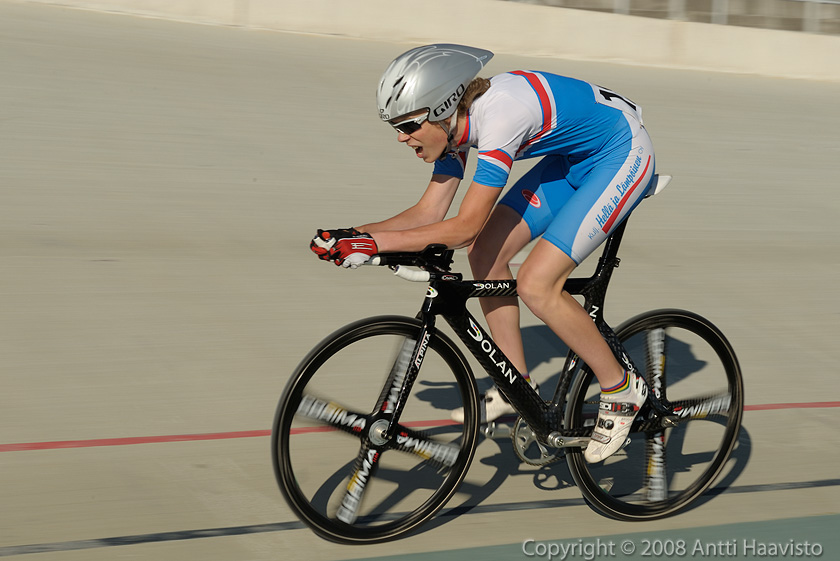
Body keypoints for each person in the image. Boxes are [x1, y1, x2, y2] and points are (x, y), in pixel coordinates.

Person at [310, 44, 653, 463]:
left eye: (409, 125)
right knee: (484, 254)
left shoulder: (501, 117)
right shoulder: (454, 126)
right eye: (396, 127)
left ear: (443, 108)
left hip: (621, 155)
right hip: (573, 161)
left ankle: (621, 388)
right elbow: (429, 212)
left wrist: (375, 245)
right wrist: (354, 234)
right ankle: (517, 386)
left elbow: (465, 225)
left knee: (537, 284)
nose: (402, 137)